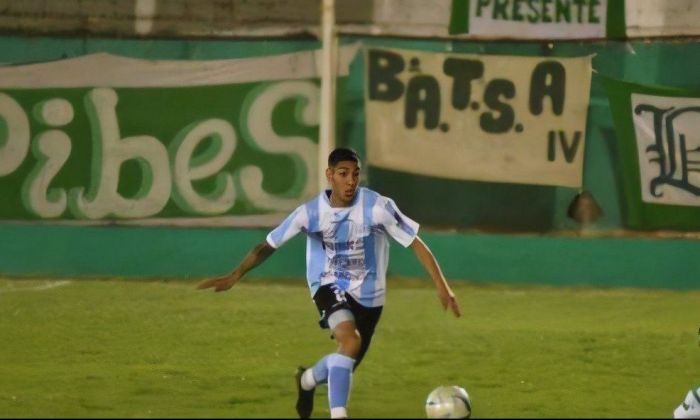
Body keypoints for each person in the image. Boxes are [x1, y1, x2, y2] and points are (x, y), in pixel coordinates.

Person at [198, 147, 461, 419]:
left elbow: (415, 243)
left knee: (345, 360)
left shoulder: (377, 207)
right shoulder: (309, 213)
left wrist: (443, 286)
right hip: (328, 284)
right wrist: (234, 276)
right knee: (350, 341)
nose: (350, 181)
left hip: (371, 295)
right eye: (343, 174)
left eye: (355, 175)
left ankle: (307, 380)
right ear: (329, 175)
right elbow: (266, 246)